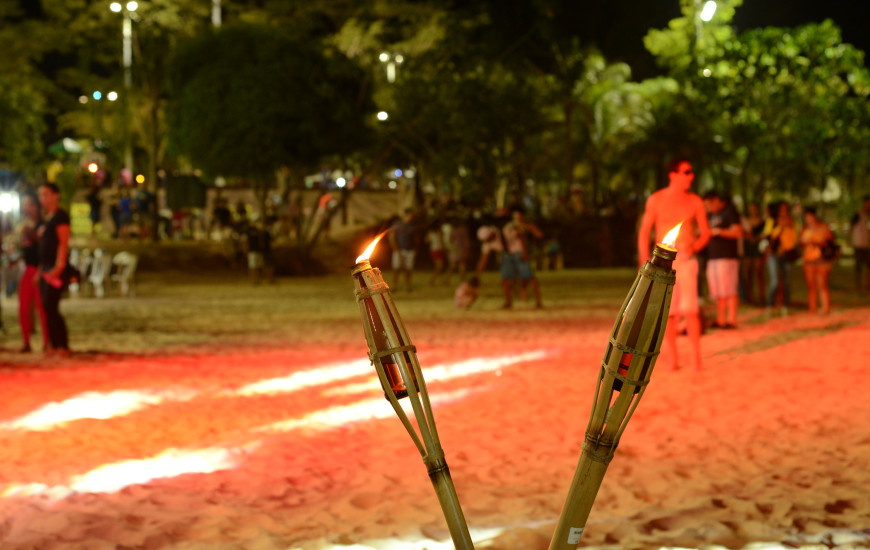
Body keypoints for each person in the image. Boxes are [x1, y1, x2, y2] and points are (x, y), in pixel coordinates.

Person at [637, 159, 711, 371]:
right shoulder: (656, 199)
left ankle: (697, 358)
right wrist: (645, 263)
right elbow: (644, 233)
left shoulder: (695, 201)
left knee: (691, 311)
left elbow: (705, 232)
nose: (691, 176)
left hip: (687, 262)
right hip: (662, 264)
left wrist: (694, 246)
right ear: (673, 174)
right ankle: (674, 359)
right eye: (686, 172)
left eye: (692, 172)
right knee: (668, 313)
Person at [37, 183, 71, 356]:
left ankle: (62, 345)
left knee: (51, 306)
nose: (43, 198)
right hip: (45, 268)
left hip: (55, 269)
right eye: (41, 195)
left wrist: (60, 266)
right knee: (45, 306)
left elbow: (63, 243)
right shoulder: (46, 217)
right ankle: (53, 345)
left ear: (55, 195)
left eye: (46, 194)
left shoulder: (60, 217)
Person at [703, 191, 743, 329]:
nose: (708, 207)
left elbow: (738, 232)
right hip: (713, 257)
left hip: (727, 257)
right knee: (718, 291)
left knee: (729, 289)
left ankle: (731, 320)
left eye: (709, 204)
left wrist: (718, 231)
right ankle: (720, 320)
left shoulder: (729, 212)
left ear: (716, 200)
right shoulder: (710, 215)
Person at [17, 191, 50, 353]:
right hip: (26, 269)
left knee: (41, 309)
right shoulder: (24, 225)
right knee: (23, 308)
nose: (24, 208)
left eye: (27, 204)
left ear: (35, 206)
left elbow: (43, 245)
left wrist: (30, 232)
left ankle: (46, 342)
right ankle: (26, 342)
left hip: (39, 270)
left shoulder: (42, 225)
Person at [500, 207, 543, 309]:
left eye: (519, 217)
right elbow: (506, 241)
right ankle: (508, 302)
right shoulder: (509, 227)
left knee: (529, 278)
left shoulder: (525, 226)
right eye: (515, 217)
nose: (518, 219)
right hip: (510, 254)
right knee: (507, 279)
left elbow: (539, 235)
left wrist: (529, 228)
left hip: (519, 254)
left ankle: (538, 302)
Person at [765, 202, 799, 316]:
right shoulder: (772, 221)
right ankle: (770, 304)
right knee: (774, 281)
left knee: (786, 282)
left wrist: (789, 226)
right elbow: (769, 236)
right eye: (781, 208)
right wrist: (780, 227)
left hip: (787, 254)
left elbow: (795, 239)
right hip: (774, 255)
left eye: (785, 208)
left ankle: (785, 305)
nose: (783, 211)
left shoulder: (793, 222)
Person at [800, 207, 835, 315]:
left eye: (810, 216)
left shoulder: (823, 227)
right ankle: (812, 309)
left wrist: (815, 242)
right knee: (811, 285)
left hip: (821, 259)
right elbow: (800, 244)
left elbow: (830, 242)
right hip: (808, 259)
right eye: (807, 217)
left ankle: (825, 308)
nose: (809, 219)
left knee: (823, 284)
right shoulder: (804, 230)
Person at [740, 202, 766, 305]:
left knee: (759, 271)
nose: (753, 211)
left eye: (754, 208)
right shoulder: (745, 221)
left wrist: (756, 238)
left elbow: (765, 234)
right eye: (751, 209)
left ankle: (762, 295)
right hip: (748, 248)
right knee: (748, 272)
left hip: (758, 248)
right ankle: (750, 296)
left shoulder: (763, 221)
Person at [389, 208, 419, 292]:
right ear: (405, 215)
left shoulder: (413, 226)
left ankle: (407, 285)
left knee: (408, 268)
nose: (411, 217)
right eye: (410, 215)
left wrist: (415, 249)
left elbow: (416, 239)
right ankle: (394, 285)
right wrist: (396, 249)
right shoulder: (397, 225)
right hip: (399, 250)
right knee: (396, 268)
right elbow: (391, 237)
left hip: (410, 250)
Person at [850, 195, 870, 294]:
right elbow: (851, 226)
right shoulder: (858, 214)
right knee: (858, 266)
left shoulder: (867, 215)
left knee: (868, 265)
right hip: (858, 244)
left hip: (866, 244)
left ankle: (867, 286)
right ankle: (858, 286)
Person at [425, 219, 446, 286]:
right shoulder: (439, 231)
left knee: (438, 266)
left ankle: (440, 281)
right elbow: (442, 240)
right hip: (439, 249)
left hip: (433, 249)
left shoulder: (430, 232)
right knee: (439, 267)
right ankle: (432, 280)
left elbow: (426, 241)